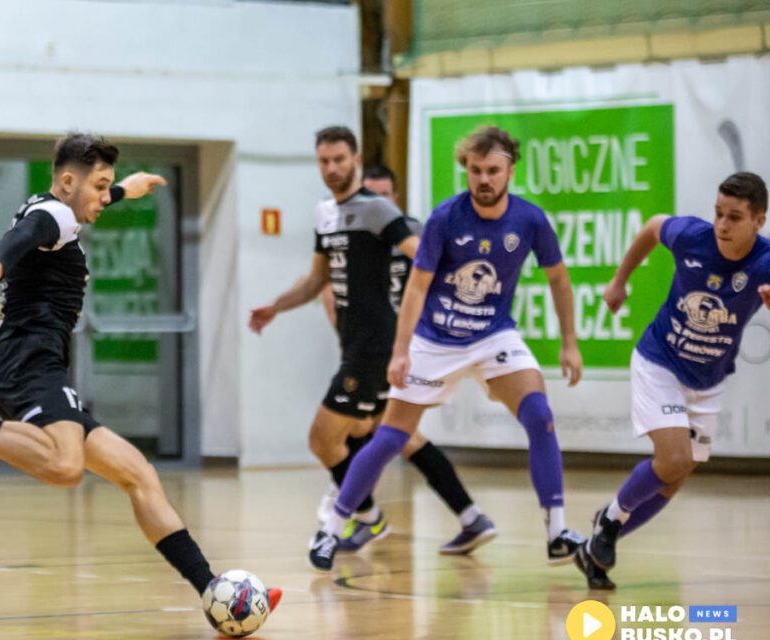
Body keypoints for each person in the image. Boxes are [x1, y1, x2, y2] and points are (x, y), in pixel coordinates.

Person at [0, 132, 281, 621]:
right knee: (65, 467)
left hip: (41, 365)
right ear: (66, 181)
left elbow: (54, 219)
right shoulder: (52, 214)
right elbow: (29, 233)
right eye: (101, 187)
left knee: (139, 474)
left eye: (109, 188)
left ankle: (212, 591)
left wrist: (128, 189)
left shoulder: (63, 212)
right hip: (29, 364)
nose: (105, 196)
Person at [308, 125, 586, 572]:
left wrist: (569, 342)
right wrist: (402, 352)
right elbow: (416, 289)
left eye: (493, 170)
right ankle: (329, 531)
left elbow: (558, 278)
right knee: (390, 438)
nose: (484, 179)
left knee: (540, 416)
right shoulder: (444, 218)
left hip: (493, 335)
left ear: (511, 169)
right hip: (435, 340)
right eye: (475, 170)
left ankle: (556, 532)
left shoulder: (530, 220)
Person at [576, 171, 770, 590]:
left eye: (734, 217)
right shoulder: (691, 236)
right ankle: (608, 523)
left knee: (677, 476)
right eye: (718, 213)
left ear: (759, 221)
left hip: (708, 377)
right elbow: (651, 228)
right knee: (675, 459)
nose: (721, 225)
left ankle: (595, 546)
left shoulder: (766, 263)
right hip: (659, 360)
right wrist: (618, 280)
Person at [249, 126, 419, 553]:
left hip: (374, 347)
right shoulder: (325, 214)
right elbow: (315, 281)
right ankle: (372, 518)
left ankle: (360, 520)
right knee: (366, 436)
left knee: (325, 439)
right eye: (324, 161)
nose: (332, 168)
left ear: (356, 159)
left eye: (340, 159)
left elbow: (423, 255)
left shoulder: (378, 209)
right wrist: (276, 306)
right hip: (353, 347)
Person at [316, 163, 497, 555]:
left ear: (396, 199)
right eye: (372, 194)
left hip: (399, 352)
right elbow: (332, 289)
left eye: (386, 195)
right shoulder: (365, 234)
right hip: (380, 352)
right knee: (398, 436)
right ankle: (468, 516)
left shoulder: (416, 236)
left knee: (339, 435)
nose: (378, 202)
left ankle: (363, 517)